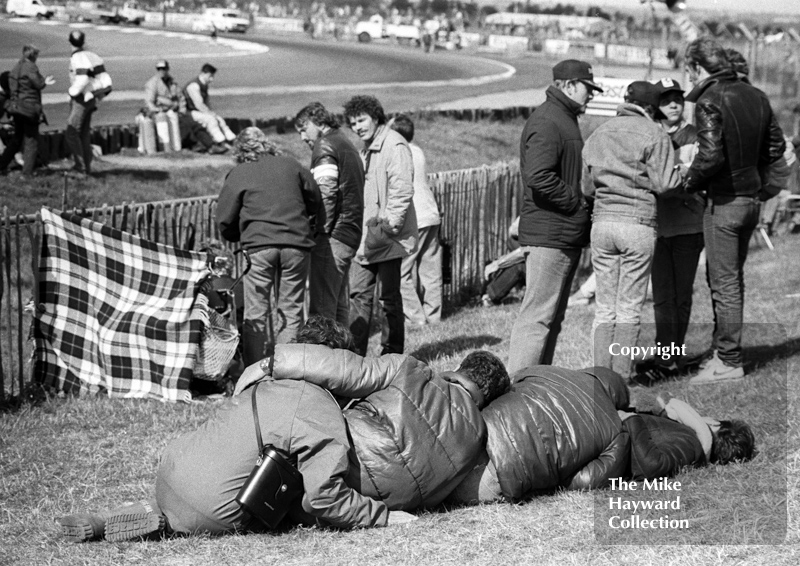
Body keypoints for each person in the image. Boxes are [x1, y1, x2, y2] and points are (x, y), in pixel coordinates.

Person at [56, 318, 414, 543]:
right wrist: (382, 516)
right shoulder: (316, 405)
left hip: (172, 469)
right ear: (337, 363)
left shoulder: (263, 376)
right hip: (214, 507)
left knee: (184, 503)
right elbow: (323, 497)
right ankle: (176, 519)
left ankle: (119, 518)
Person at [244, 344, 510, 510]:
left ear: (457, 369)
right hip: (376, 502)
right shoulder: (478, 440)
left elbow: (345, 370)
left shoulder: (412, 370)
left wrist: (272, 363)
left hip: (336, 460)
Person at [682, 38, 785, 384]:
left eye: (688, 70)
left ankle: (728, 360)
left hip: (724, 202)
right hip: (752, 200)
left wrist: (689, 181)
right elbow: (776, 147)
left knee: (723, 284)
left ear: (698, 67)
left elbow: (710, 156)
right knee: (730, 282)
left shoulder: (710, 99)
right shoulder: (755, 94)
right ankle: (721, 352)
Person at [583, 81, 683, 382]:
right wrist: (684, 173)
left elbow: (586, 187)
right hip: (637, 223)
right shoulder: (654, 133)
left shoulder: (599, 132)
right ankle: (621, 378)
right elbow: (665, 184)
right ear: (652, 107)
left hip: (602, 223)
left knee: (604, 307)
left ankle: (600, 377)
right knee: (628, 308)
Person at [507, 59, 602, 374]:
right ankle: (517, 394)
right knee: (537, 319)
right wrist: (576, 203)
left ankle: (535, 387)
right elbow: (539, 177)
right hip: (551, 233)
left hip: (561, 232)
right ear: (570, 85)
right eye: (588, 88)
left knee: (550, 319)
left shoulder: (562, 117)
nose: (590, 95)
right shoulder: (549, 120)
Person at [448, 366, 630, 504]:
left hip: (485, 433)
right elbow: (590, 479)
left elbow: (505, 385)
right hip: (506, 470)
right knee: (449, 493)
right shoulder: (614, 429)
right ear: (617, 400)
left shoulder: (547, 370)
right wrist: (560, 476)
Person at [216, 127, 320, 366]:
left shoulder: (239, 173)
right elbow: (314, 199)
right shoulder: (291, 165)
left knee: (256, 312)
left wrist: (238, 235)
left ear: (240, 151)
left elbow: (224, 218)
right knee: (291, 309)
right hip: (297, 244)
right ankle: (288, 369)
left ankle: (256, 371)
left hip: (259, 247)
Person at [636, 78, 706, 383]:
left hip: (689, 226)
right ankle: (668, 354)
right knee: (663, 296)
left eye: (678, 98)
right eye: (667, 100)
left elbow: (694, 175)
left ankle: (672, 355)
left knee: (681, 295)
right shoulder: (649, 134)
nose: (674, 104)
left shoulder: (696, 135)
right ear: (656, 106)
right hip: (659, 227)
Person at [343, 95, 418, 356]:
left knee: (389, 300)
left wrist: (387, 229)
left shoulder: (394, 145)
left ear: (376, 118)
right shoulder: (367, 147)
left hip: (385, 237)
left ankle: (391, 357)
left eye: (362, 120)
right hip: (367, 237)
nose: (358, 127)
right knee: (359, 297)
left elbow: (402, 191)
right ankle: (354, 358)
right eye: (353, 123)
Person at [294, 102, 364, 326]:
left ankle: (325, 357)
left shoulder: (324, 146)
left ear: (319, 122)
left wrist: (320, 231)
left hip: (332, 236)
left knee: (323, 309)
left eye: (304, 129)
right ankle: (345, 356)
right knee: (338, 306)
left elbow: (326, 192)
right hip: (350, 233)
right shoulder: (345, 143)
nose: (303, 137)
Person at [619, 393, 756, 479]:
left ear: (714, 423)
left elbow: (652, 466)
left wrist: (630, 420)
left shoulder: (690, 443)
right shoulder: (689, 439)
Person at [391, 114, 443, 326]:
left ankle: (416, 317)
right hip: (431, 213)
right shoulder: (418, 151)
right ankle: (434, 316)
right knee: (430, 269)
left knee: (401, 272)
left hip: (416, 217)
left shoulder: (399, 152)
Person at [0, 44, 53, 177]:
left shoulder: (16, 67)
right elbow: (38, 84)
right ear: (33, 55)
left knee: (17, 139)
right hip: (29, 108)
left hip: (16, 108)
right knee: (31, 141)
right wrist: (45, 82)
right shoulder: (31, 67)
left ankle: (1, 164)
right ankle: (27, 172)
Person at [66, 30, 111, 176]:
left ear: (70, 42)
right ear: (83, 41)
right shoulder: (93, 55)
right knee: (83, 134)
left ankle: (80, 168)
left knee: (72, 133)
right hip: (92, 98)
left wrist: (72, 92)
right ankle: (87, 167)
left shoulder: (77, 57)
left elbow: (83, 78)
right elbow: (105, 79)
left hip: (81, 98)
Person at [182, 63, 236, 150]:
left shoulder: (204, 85)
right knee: (211, 120)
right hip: (189, 112)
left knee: (220, 120)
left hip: (198, 111)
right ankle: (220, 142)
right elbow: (198, 104)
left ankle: (231, 139)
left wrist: (211, 112)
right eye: (210, 76)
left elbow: (206, 103)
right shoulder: (194, 86)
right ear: (203, 73)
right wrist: (209, 113)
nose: (211, 79)